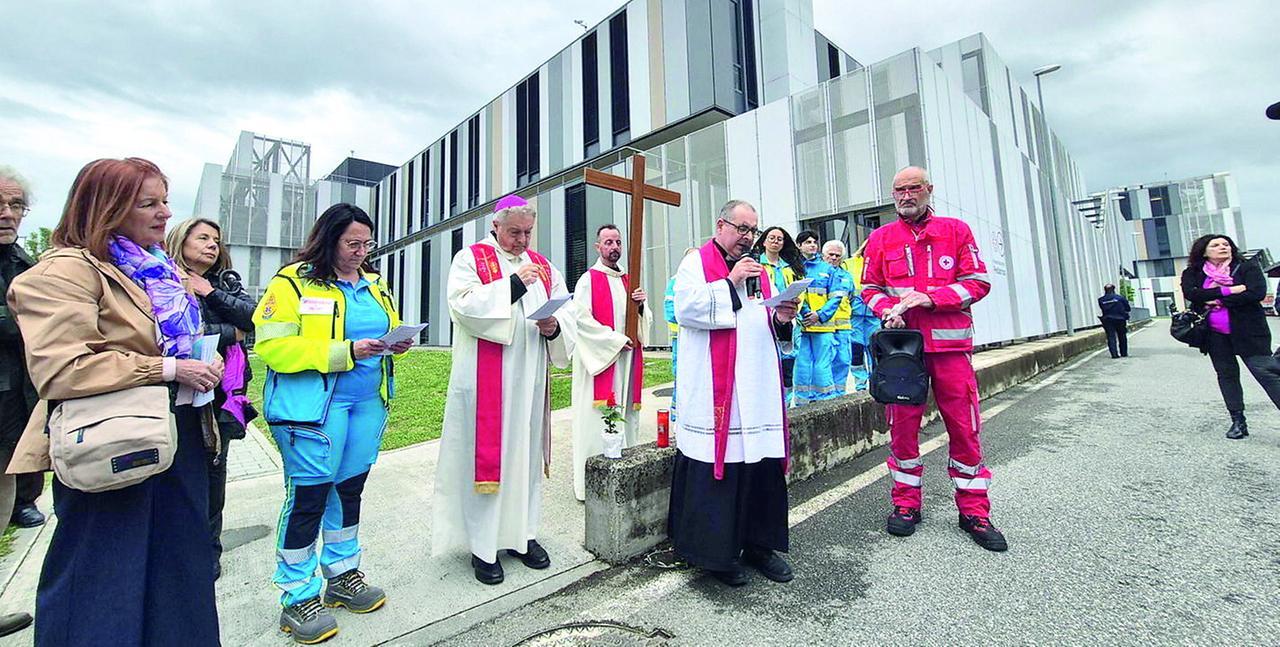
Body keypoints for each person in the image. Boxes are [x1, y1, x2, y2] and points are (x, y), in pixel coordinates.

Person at [7, 157, 223, 645]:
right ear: (105, 208)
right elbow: (64, 368)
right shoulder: (64, 271)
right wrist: (168, 368)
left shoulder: (161, 269)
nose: (165, 213)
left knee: (178, 574)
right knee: (103, 579)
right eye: (148, 203)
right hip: (110, 442)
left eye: (165, 200)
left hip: (179, 436)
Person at [253, 203, 409, 643]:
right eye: (352, 243)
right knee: (308, 498)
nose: (361, 252)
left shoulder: (375, 285)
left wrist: (395, 341)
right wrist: (344, 352)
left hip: (365, 405)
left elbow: (387, 325)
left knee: (349, 489)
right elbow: (273, 347)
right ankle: (297, 594)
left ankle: (342, 574)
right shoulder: (291, 282)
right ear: (329, 239)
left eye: (367, 244)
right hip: (312, 411)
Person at [861, 166, 1006, 552]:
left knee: (965, 428)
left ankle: (974, 510)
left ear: (928, 190)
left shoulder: (956, 231)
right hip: (901, 354)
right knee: (902, 429)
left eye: (913, 188)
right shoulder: (879, 238)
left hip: (950, 351)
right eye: (899, 190)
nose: (906, 196)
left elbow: (978, 281)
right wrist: (888, 308)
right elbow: (870, 288)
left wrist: (931, 298)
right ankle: (906, 504)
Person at [433, 195, 575, 586]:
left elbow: (566, 310)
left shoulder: (544, 266)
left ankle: (523, 536)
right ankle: (483, 547)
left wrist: (554, 327)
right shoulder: (471, 259)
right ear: (496, 226)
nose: (522, 240)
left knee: (524, 458)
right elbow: (461, 306)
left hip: (529, 379)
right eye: (514, 232)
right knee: (487, 459)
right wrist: (512, 285)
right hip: (485, 382)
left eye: (528, 232)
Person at [667, 199, 800, 587]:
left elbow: (760, 317)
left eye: (753, 231)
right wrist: (730, 283)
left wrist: (781, 317)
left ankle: (759, 545)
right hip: (714, 388)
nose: (748, 238)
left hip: (754, 386)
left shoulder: (760, 268)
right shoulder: (695, 261)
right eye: (742, 229)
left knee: (759, 465)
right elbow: (685, 309)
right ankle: (717, 555)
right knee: (717, 469)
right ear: (721, 224)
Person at [165, 218, 258, 580]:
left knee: (214, 471)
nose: (211, 245)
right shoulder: (164, 280)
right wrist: (228, 332)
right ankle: (177, 549)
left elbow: (254, 319)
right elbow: (176, 333)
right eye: (202, 237)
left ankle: (209, 550)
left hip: (223, 394)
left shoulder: (225, 282)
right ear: (181, 240)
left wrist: (209, 292)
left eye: (216, 240)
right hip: (176, 393)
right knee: (178, 472)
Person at [568, 224, 649, 501]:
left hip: (626, 362)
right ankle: (591, 485)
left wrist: (639, 307)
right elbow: (581, 320)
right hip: (601, 363)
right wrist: (614, 340)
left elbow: (640, 319)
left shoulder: (629, 280)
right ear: (597, 247)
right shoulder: (588, 281)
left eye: (617, 242)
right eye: (608, 242)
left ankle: (624, 476)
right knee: (596, 420)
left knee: (626, 415)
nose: (614, 247)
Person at [1179, 234, 1280, 440]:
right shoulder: (1193, 272)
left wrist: (1219, 299)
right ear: (1204, 251)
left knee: (1265, 372)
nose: (1222, 247)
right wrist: (1230, 290)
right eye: (1215, 245)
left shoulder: (1246, 267)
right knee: (1227, 375)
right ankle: (1238, 421)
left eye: (1226, 244)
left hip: (1250, 332)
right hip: (1215, 333)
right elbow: (1192, 294)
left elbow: (1256, 293)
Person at [0, 166, 38, 638]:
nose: (6, 215)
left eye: (15, 206)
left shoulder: (20, 259)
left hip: (12, 399)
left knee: (3, 490)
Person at [752, 226, 805, 404]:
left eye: (779, 239)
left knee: (788, 363)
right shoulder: (755, 265)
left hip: (789, 319)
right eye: (772, 238)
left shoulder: (789, 268)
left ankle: (786, 403)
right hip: (763, 319)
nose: (775, 242)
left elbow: (800, 292)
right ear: (764, 241)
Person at [792, 231, 843, 403]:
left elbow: (836, 296)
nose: (813, 245)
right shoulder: (793, 267)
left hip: (823, 325)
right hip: (802, 323)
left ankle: (826, 400)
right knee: (803, 364)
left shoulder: (828, 269)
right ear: (799, 245)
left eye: (814, 242)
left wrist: (819, 315)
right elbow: (794, 293)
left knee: (823, 364)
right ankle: (802, 402)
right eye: (807, 242)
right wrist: (806, 313)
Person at [842, 240, 879, 391]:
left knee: (875, 351)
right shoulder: (848, 264)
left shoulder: (880, 263)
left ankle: (876, 383)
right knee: (856, 352)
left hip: (874, 315)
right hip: (855, 315)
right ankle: (860, 385)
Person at [824, 240, 855, 394]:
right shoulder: (819, 273)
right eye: (831, 255)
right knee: (825, 363)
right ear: (823, 255)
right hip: (823, 326)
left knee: (843, 361)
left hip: (843, 327)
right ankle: (827, 396)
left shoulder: (847, 276)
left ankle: (840, 395)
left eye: (838, 255)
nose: (834, 258)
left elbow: (852, 298)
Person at [1097, 283, 1131, 359]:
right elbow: (1128, 308)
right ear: (1114, 289)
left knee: (1111, 336)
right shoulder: (1120, 298)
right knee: (1122, 336)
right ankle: (1124, 353)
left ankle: (1114, 354)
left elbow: (1103, 309)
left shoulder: (1101, 300)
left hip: (1108, 320)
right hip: (1120, 319)